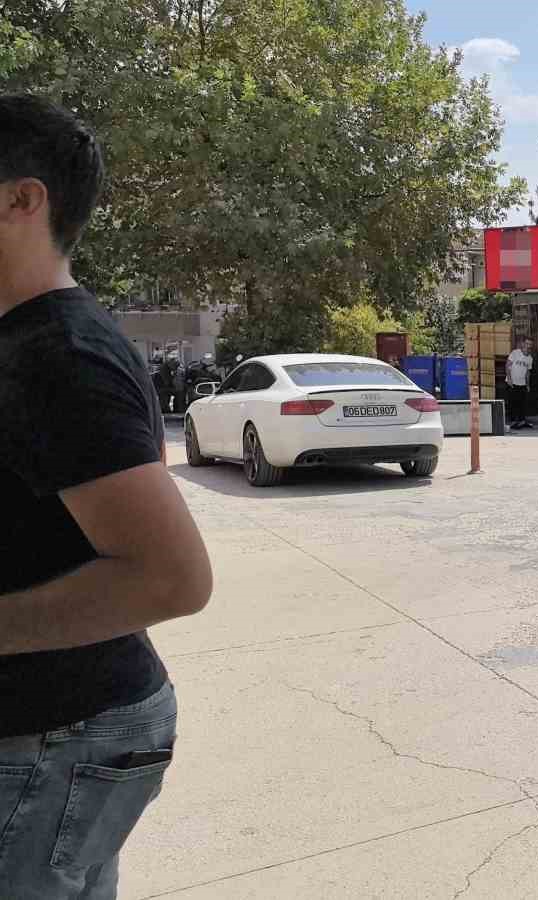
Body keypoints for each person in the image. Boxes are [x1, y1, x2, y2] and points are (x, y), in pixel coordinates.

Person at [0, 93, 212, 898]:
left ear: (23, 200)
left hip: (54, 738)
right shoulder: (27, 339)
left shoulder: (61, 358)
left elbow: (172, 579)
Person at [506, 337, 534, 429]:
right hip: (513, 382)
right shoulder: (515, 353)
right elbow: (508, 365)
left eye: (530, 344)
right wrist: (509, 379)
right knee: (513, 402)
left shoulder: (530, 358)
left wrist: (528, 384)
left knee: (522, 403)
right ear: (523, 344)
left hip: (522, 384)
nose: (528, 346)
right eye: (526, 344)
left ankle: (522, 421)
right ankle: (514, 422)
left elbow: (528, 372)